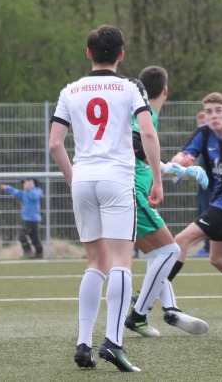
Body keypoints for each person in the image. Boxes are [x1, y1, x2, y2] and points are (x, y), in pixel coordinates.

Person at [49, 25, 162, 372]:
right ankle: (113, 342)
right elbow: (147, 133)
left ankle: (83, 344)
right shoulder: (131, 87)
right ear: (121, 55)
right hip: (116, 179)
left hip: (84, 179)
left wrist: (73, 179)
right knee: (121, 262)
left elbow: (55, 144)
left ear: (88, 53)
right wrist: (157, 179)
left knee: (95, 262)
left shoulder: (70, 90)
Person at [124, 66, 208, 338]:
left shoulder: (140, 110)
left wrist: (172, 169)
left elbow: (141, 154)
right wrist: (170, 171)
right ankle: (138, 315)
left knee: (157, 254)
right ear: (166, 90)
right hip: (131, 193)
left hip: (122, 192)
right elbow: (136, 145)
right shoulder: (145, 112)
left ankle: (171, 309)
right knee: (171, 250)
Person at [161, 94, 222, 306]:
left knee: (181, 241)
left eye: (218, 111)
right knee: (219, 259)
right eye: (209, 112)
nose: (213, 116)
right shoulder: (204, 133)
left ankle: (148, 297)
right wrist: (184, 160)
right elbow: (178, 157)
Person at [0, 179, 44, 258]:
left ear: (32, 184)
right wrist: (7, 188)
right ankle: (39, 253)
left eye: (25, 183)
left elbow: (33, 197)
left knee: (22, 236)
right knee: (34, 238)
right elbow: (16, 192)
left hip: (32, 220)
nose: (23, 185)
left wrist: (32, 188)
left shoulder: (37, 191)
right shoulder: (24, 193)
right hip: (27, 220)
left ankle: (28, 252)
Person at [193, 109, 213, 257]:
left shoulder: (213, 142)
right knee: (202, 213)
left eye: (204, 123)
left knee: (209, 214)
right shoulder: (199, 143)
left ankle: (210, 247)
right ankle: (207, 247)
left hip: (213, 188)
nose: (201, 126)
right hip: (203, 188)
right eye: (199, 123)